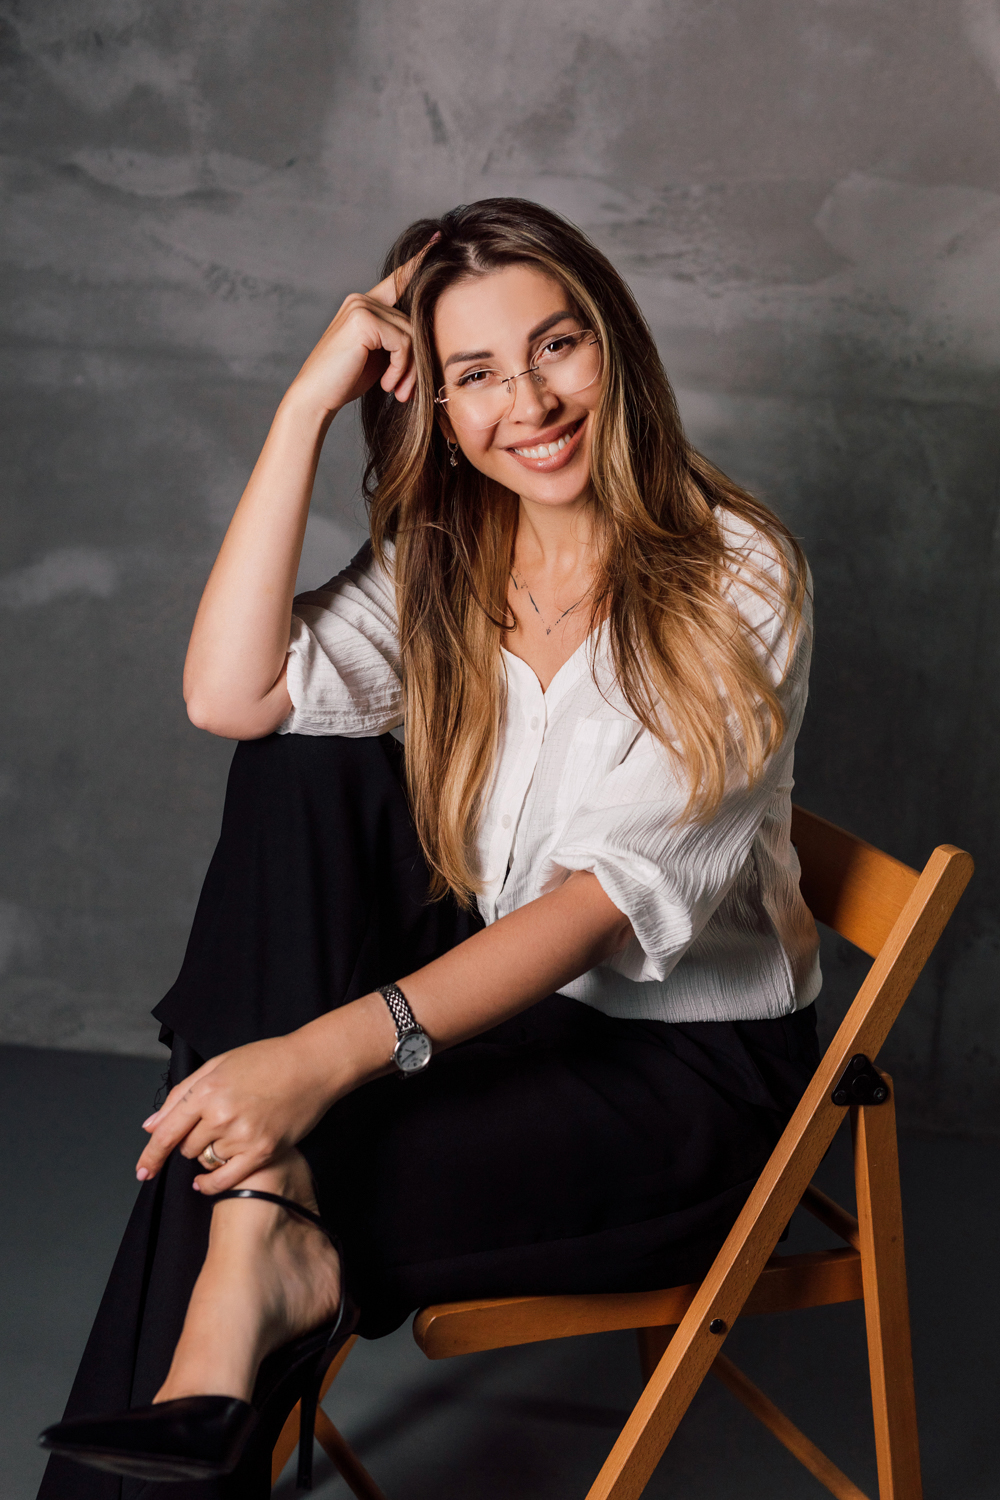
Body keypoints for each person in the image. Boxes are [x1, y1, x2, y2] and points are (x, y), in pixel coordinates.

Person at [38, 198, 821, 1497]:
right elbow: (233, 696)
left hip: (680, 1085)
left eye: (558, 345)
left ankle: (212, 1347)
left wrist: (313, 1058)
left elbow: (602, 903)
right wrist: (303, 410)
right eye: (474, 374)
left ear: (615, 347)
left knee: (249, 1158)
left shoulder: (740, 574)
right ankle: (237, 1304)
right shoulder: (449, 555)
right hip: (498, 1014)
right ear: (437, 411)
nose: (530, 399)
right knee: (297, 776)